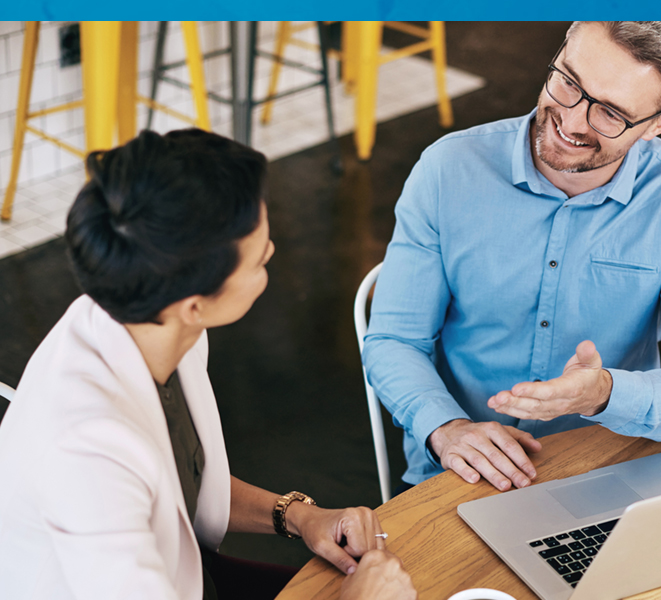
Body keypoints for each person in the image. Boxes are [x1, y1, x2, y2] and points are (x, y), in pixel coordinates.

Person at [0, 130, 415, 600]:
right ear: (195, 305)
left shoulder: (148, 317)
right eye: (258, 259)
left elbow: (182, 482)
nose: (271, 252)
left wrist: (299, 516)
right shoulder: (85, 457)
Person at [363, 21, 661, 492]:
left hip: (612, 469)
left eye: (610, 113)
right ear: (560, 54)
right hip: (464, 471)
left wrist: (604, 392)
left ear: (659, 124)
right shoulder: (448, 169)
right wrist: (446, 429)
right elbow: (394, 339)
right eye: (568, 82)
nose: (573, 121)